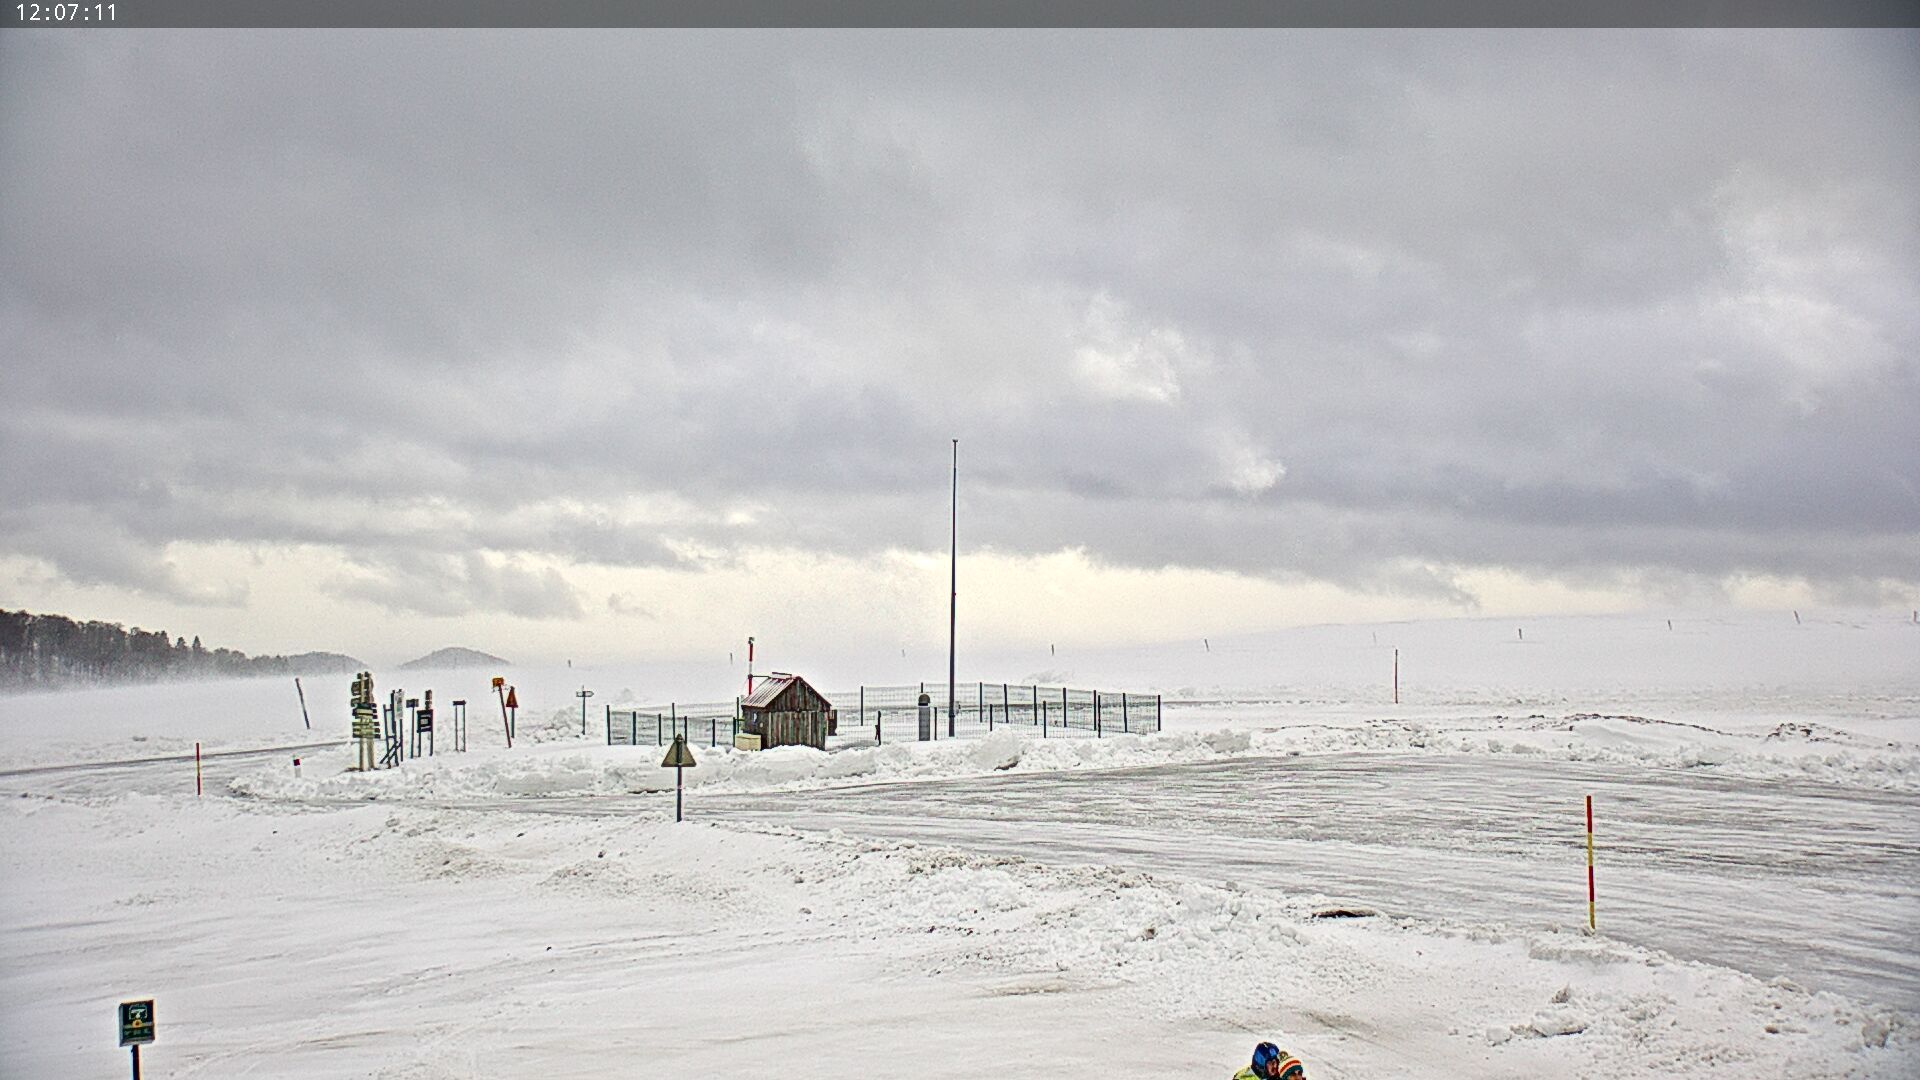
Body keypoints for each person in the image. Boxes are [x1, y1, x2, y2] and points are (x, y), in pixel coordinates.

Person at [1232, 1041, 1306, 1080]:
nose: (1275, 1065)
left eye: (1275, 1062)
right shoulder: (1244, 1078)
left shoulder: (1275, 1075)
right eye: (1270, 1063)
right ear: (1261, 1064)